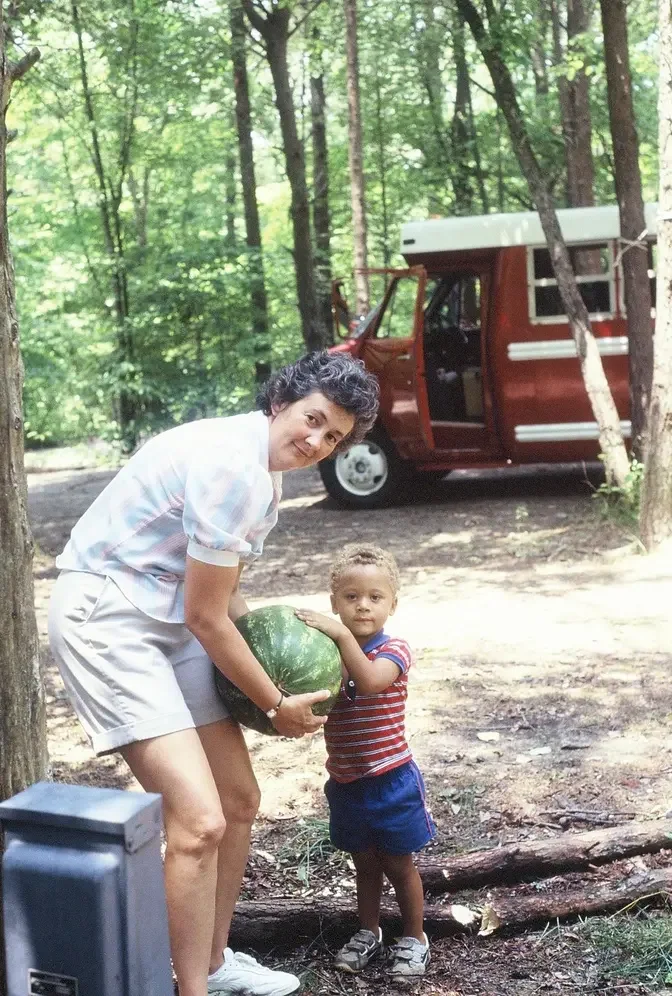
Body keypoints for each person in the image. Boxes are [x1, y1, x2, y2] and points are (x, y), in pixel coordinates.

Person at [48, 352, 379, 996]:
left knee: (238, 800)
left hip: (169, 617)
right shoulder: (234, 466)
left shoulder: (262, 470)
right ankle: (189, 989)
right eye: (311, 419)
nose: (315, 441)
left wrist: (268, 666)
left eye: (333, 436)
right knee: (199, 821)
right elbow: (208, 617)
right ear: (281, 401)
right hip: (108, 620)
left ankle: (215, 963)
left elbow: (225, 599)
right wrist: (274, 699)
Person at [295, 545, 435, 980]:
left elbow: (372, 682)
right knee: (364, 863)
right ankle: (368, 930)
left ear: (393, 603)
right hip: (347, 781)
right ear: (333, 601)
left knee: (398, 862)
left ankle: (415, 937)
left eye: (375, 597)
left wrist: (338, 636)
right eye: (351, 596)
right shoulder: (323, 656)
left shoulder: (394, 649)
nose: (363, 605)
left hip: (391, 780)